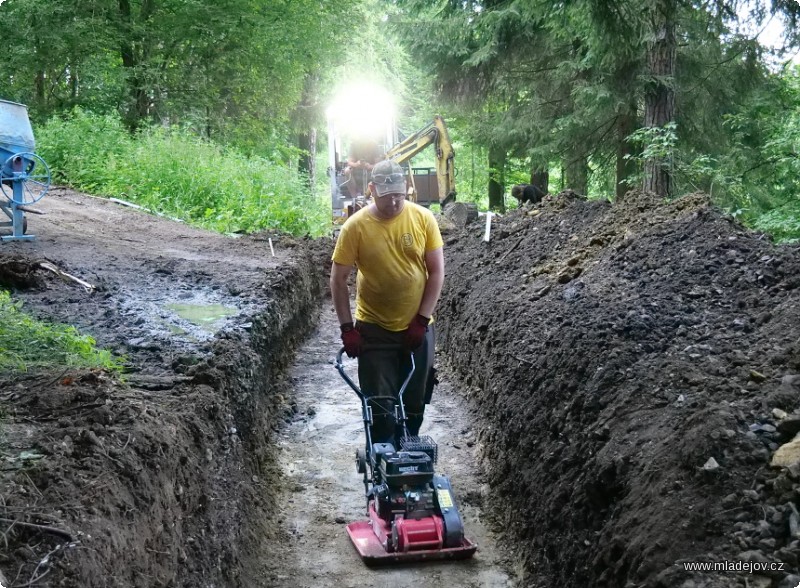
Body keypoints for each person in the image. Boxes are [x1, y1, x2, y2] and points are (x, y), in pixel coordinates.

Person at [330, 159, 445, 449]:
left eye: (399, 194)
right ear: (372, 190)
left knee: (416, 399)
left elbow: (437, 272)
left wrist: (421, 320)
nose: (394, 202)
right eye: (386, 195)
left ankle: (410, 447)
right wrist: (347, 328)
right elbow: (337, 279)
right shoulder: (355, 227)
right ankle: (383, 454)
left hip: (416, 327)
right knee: (381, 404)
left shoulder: (423, 219)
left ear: (406, 189)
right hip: (375, 329)